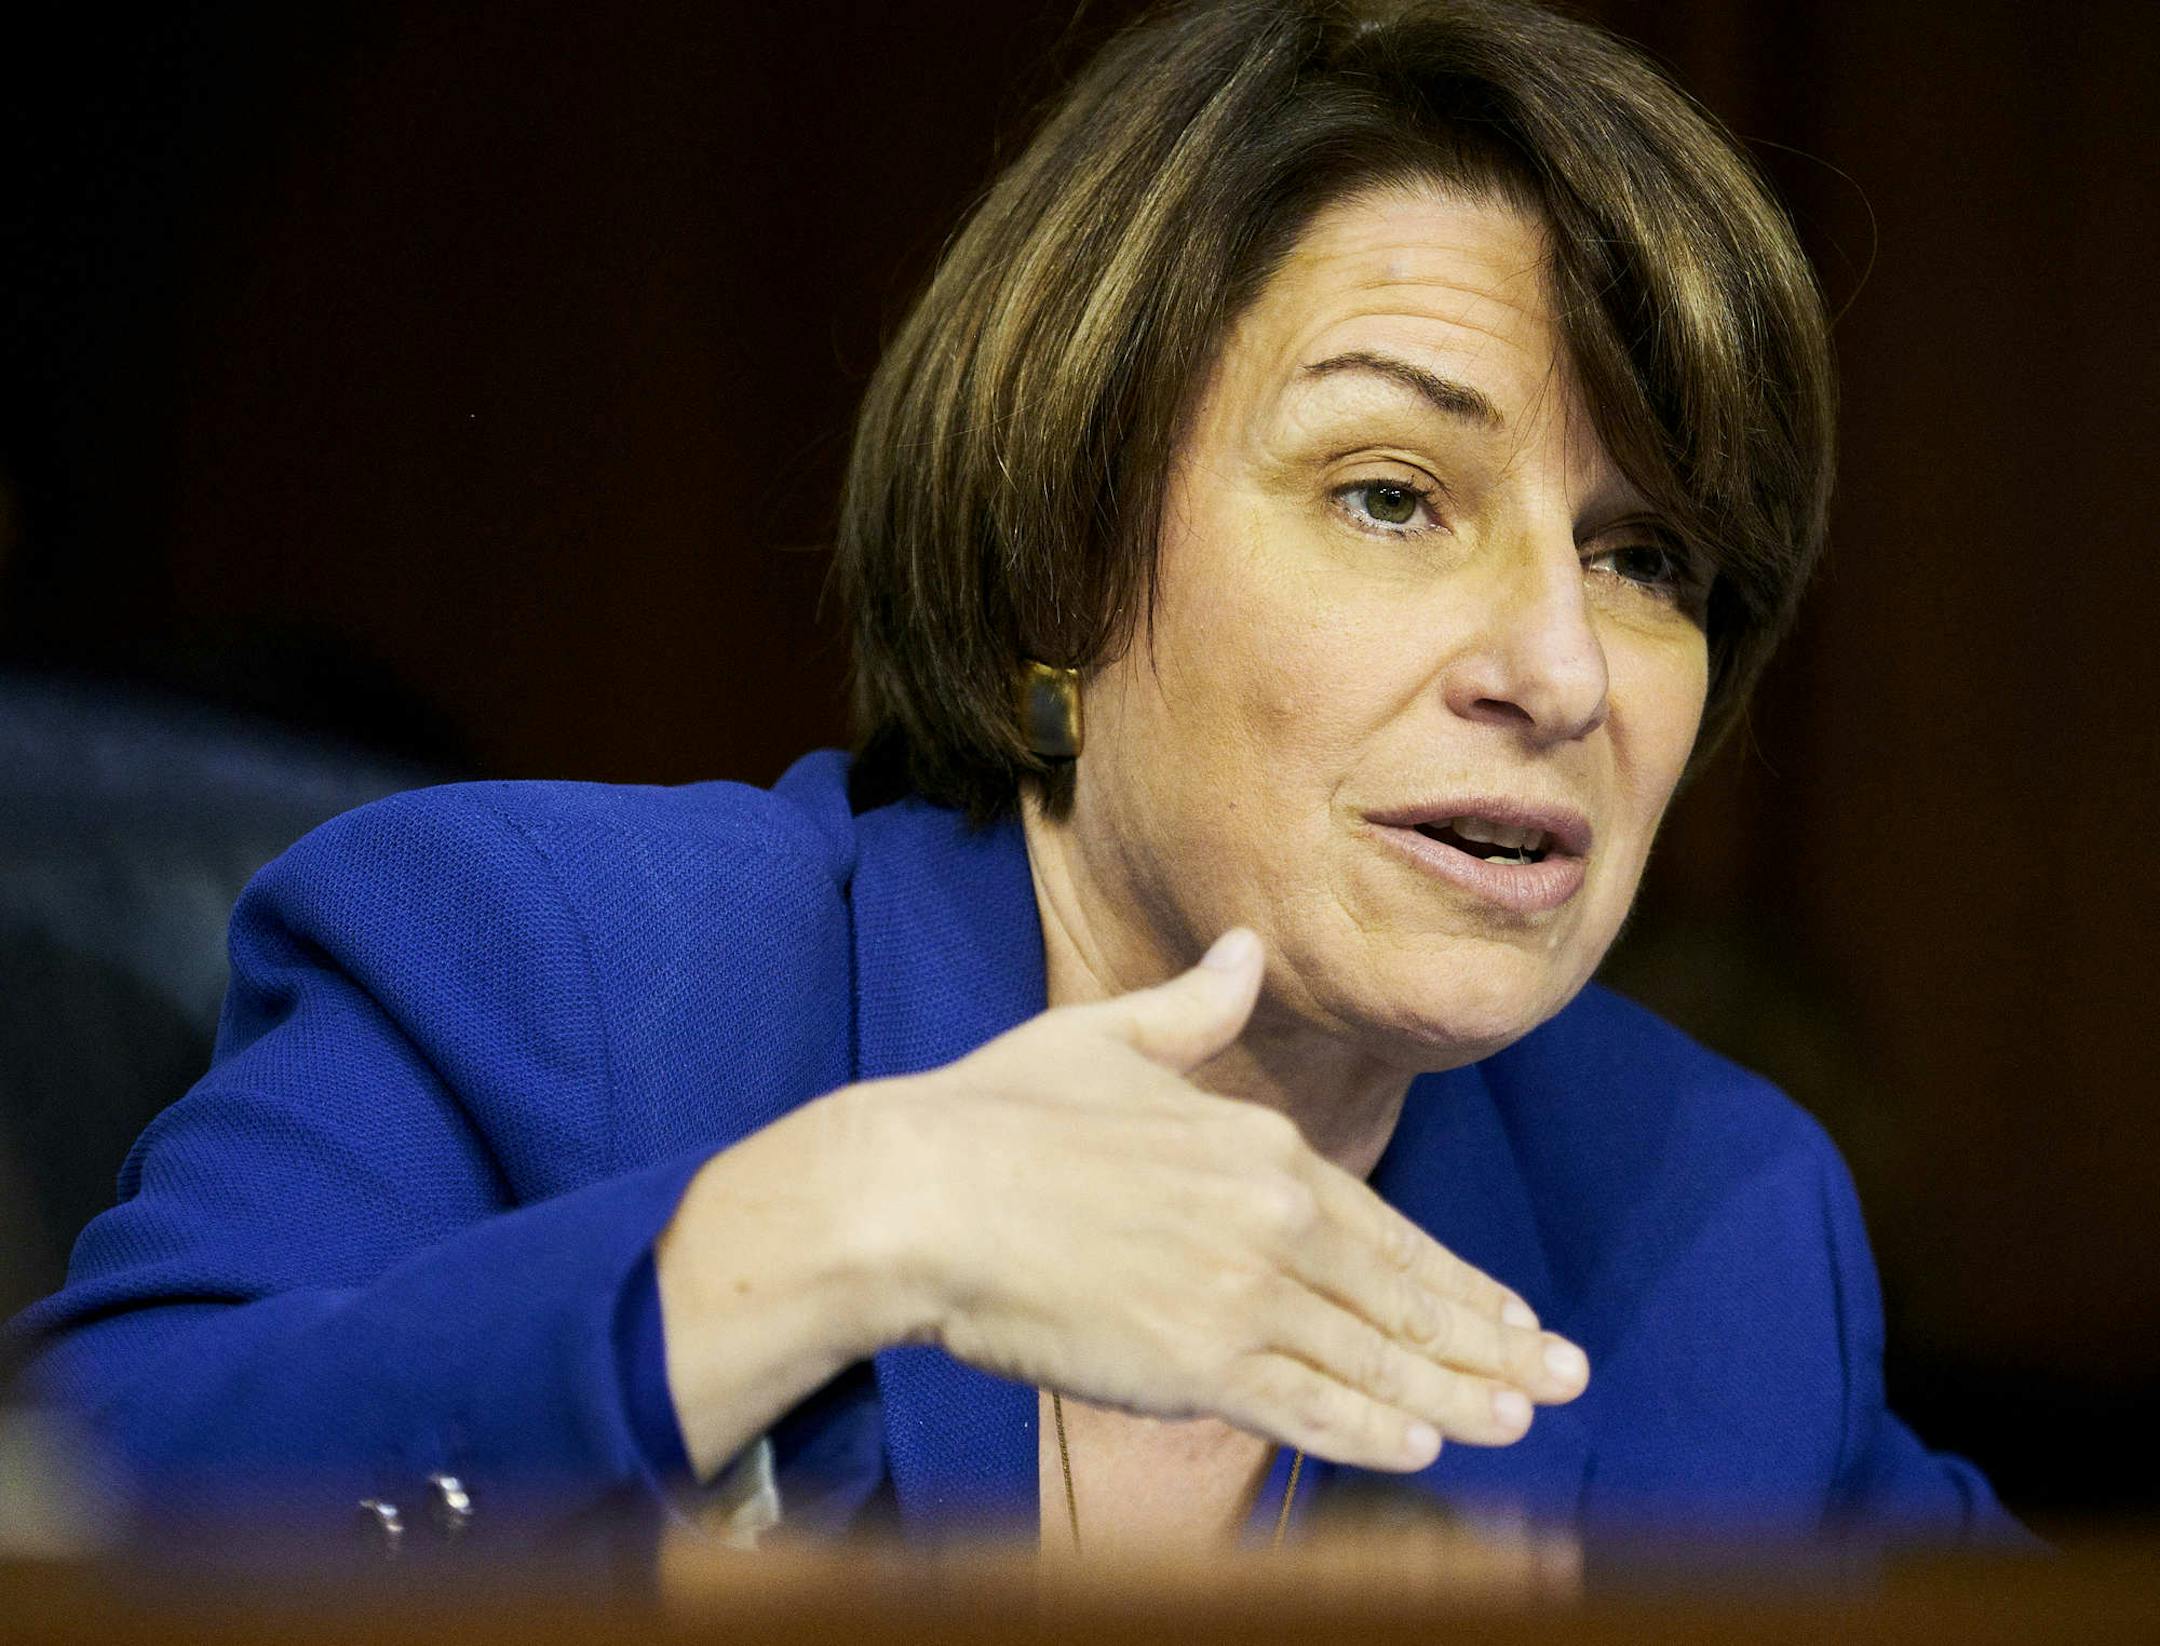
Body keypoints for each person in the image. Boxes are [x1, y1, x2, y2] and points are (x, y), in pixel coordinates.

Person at [14, 0, 2023, 1562]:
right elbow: (78, 1528)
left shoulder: (1712, 1229)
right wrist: (846, 1225)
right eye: (1394, 495)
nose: (1560, 669)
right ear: (1070, 544)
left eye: (1645, 556)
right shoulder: (551, 972)